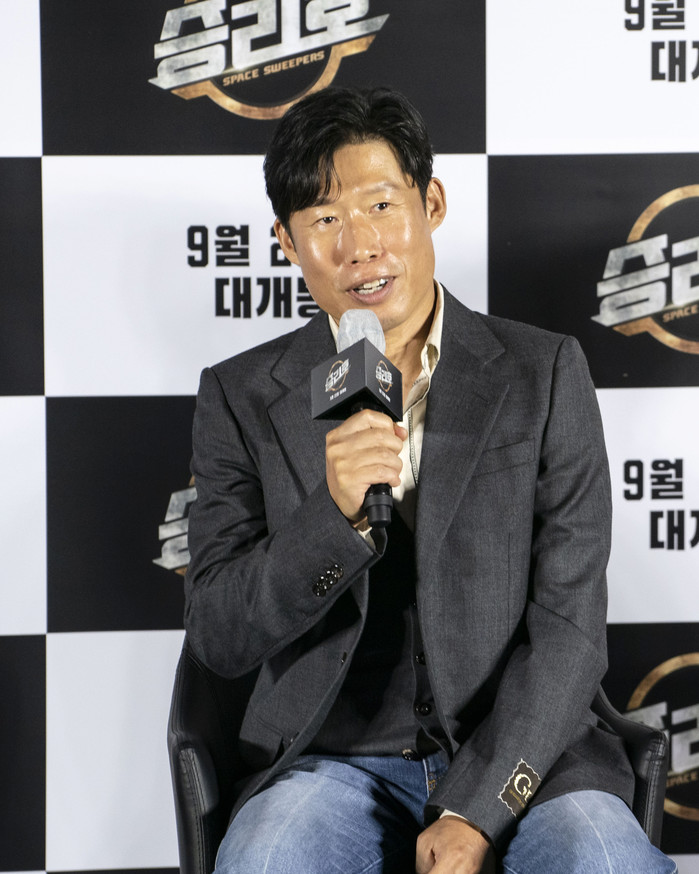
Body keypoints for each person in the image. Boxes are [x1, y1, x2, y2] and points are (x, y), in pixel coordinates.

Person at [184, 87, 676, 873]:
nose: (359, 246)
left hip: (527, 756)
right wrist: (332, 516)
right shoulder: (240, 394)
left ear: (431, 203)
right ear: (286, 242)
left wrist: (476, 808)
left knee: (603, 861)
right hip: (332, 761)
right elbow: (218, 632)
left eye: (380, 205)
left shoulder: (542, 370)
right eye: (324, 220)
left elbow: (569, 627)